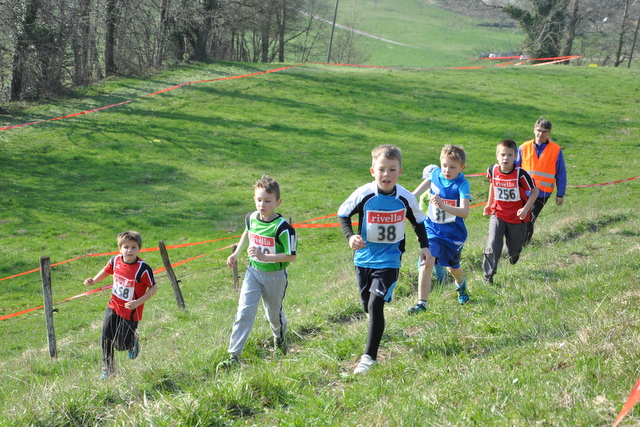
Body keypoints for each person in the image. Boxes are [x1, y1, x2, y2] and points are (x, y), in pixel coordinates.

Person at [338, 145, 432, 374]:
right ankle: (377, 330)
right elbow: (343, 213)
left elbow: (418, 221)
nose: (386, 174)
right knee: (367, 306)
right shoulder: (364, 194)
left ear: (400, 172)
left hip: (390, 260)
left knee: (375, 303)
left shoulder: (405, 197)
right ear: (373, 171)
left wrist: (425, 246)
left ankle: (369, 358)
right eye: (381, 169)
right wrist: (350, 237)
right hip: (363, 259)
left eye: (392, 169)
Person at [218, 175, 297, 370]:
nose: (262, 205)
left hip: (275, 277)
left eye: (268, 201)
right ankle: (234, 356)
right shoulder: (251, 218)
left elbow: (291, 256)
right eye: (259, 200)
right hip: (253, 273)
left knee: (273, 315)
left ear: (278, 202)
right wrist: (236, 253)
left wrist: (265, 257)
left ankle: (279, 341)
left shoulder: (283, 228)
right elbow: (247, 233)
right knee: (243, 313)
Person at [84, 231, 158, 380]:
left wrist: (138, 302)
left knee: (121, 345)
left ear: (139, 249)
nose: (129, 250)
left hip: (131, 311)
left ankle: (132, 341)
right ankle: (109, 369)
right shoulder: (115, 260)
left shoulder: (143, 269)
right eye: (126, 247)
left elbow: (154, 288)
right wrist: (94, 280)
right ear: (120, 248)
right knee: (105, 338)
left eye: (133, 247)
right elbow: (106, 271)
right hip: (114, 306)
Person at [407, 145, 471, 314]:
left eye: (453, 167)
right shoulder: (435, 174)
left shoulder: (462, 185)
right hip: (432, 230)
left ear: (462, 168)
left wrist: (443, 206)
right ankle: (422, 304)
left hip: (453, 235)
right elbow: (425, 184)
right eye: (444, 165)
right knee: (426, 261)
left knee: (453, 269)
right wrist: (410, 196)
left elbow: (465, 212)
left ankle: (461, 285)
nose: (447, 170)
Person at [483, 139, 539, 283]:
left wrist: (525, 209)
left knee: (513, 249)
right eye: (502, 155)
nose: (505, 158)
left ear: (515, 157)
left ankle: (514, 254)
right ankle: (488, 276)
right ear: (497, 155)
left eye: (509, 155)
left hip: (517, 217)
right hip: (498, 213)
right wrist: (489, 204)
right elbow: (493, 184)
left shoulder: (520, 174)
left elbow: (535, 191)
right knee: (493, 244)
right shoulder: (492, 170)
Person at [516, 118, 566, 245]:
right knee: (520, 217)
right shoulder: (523, 147)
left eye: (544, 131)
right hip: (524, 191)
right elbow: (515, 168)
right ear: (534, 130)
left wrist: (560, 194)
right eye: (538, 130)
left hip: (542, 193)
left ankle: (523, 245)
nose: (541, 134)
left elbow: (561, 173)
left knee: (530, 217)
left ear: (549, 133)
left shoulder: (556, 150)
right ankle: (516, 244)